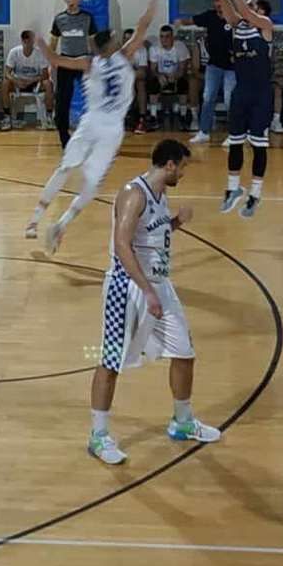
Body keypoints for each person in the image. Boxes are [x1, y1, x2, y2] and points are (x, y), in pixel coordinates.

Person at [86, 138, 220, 465]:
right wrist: (146, 290)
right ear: (169, 164)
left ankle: (182, 421)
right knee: (111, 361)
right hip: (127, 287)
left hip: (160, 285)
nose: (183, 173)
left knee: (184, 353)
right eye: (182, 167)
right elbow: (122, 245)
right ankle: (98, 436)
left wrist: (176, 223)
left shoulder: (160, 194)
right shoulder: (134, 194)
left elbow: (153, 236)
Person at [27, 0, 163, 252]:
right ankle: (61, 224)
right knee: (91, 185)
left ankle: (35, 220)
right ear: (110, 45)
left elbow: (54, 59)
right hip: (111, 128)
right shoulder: (124, 56)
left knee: (65, 168)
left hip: (91, 123)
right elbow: (144, 24)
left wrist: (40, 39)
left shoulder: (89, 63)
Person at [199, 0, 275, 216]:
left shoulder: (265, 25)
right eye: (248, 3)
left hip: (261, 94)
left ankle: (255, 193)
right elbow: (224, 1)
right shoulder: (236, 25)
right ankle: (233, 189)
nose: (247, 6)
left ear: (261, 10)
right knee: (235, 142)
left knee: (259, 145)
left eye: (253, 4)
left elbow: (241, 7)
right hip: (241, 92)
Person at [50, 0, 98, 146]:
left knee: (92, 96)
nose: (72, 0)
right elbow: (53, 43)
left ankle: (94, 134)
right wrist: (52, 62)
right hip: (65, 61)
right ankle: (64, 136)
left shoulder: (87, 18)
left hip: (83, 60)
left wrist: (95, 60)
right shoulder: (59, 19)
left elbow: (93, 41)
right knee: (63, 100)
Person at [188, 0, 235, 145]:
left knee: (230, 100)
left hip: (232, 67)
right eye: (216, 1)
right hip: (213, 65)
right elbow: (192, 20)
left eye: (221, 1)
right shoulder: (209, 16)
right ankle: (204, 132)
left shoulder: (234, 17)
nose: (218, 4)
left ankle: (234, 134)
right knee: (208, 98)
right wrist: (179, 22)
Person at [140, 24, 194, 132]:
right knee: (153, 84)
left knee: (183, 83)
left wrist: (176, 76)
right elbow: (153, 69)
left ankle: (183, 115)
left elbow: (182, 68)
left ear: (172, 37)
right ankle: (153, 116)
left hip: (176, 75)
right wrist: (159, 75)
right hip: (161, 75)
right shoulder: (154, 48)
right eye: (161, 36)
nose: (164, 39)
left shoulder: (180, 47)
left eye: (167, 36)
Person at [3, 29, 53, 129]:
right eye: (25, 40)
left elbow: (45, 75)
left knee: (48, 83)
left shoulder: (40, 53)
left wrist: (32, 80)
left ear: (33, 41)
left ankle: (49, 117)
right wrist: (16, 81)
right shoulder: (14, 52)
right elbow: (7, 73)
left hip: (35, 82)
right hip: (19, 82)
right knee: (5, 83)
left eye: (29, 40)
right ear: (22, 40)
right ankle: (7, 117)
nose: (27, 43)